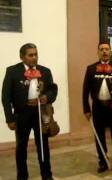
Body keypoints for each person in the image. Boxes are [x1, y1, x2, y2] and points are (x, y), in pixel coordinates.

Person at [2, 43, 58, 180]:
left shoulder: (45, 71)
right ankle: (22, 176)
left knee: (43, 146)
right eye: (30, 55)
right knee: (21, 147)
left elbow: (53, 89)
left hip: (40, 113)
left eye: (36, 54)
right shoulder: (12, 71)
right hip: (22, 114)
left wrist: (46, 97)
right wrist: (9, 119)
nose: (34, 58)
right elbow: (5, 96)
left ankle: (47, 175)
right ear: (22, 57)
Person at [82, 41, 112, 173]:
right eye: (101, 49)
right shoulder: (91, 69)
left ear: (110, 52)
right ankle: (102, 162)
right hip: (97, 108)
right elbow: (85, 91)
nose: (104, 51)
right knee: (99, 136)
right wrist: (86, 109)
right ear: (97, 52)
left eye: (106, 49)